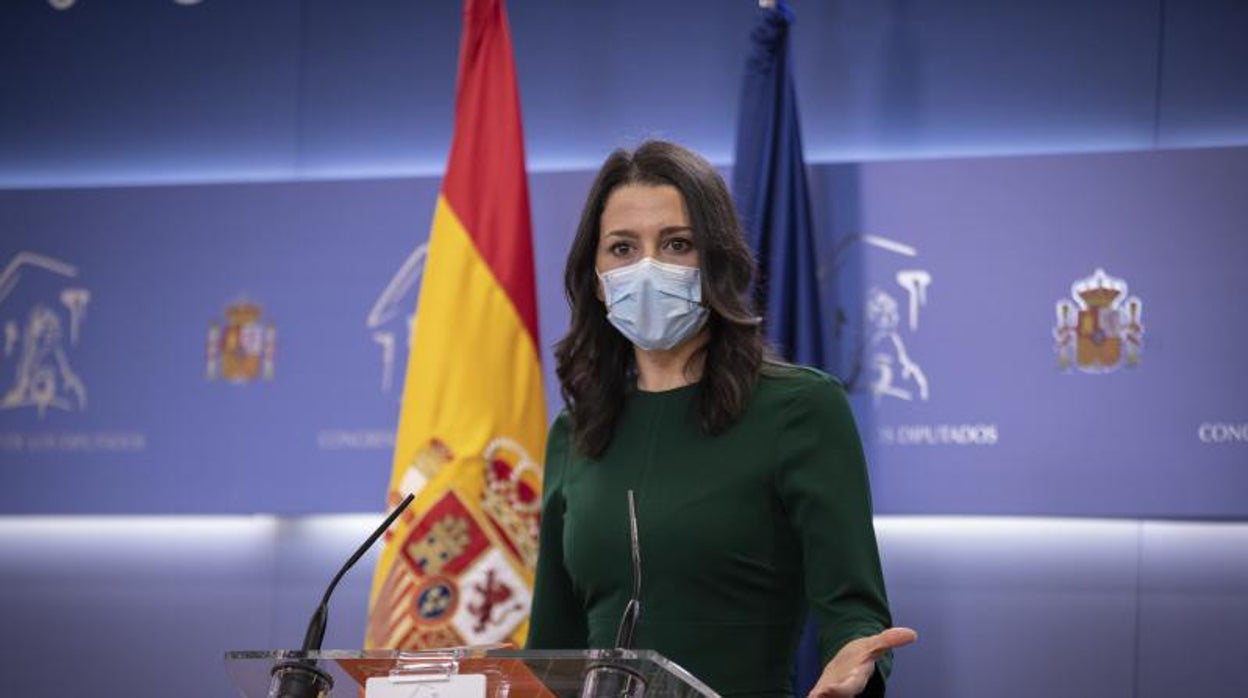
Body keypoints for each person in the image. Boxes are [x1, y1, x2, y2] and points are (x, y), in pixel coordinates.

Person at [526, 140, 916, 697]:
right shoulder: (575, 432)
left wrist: (855, 661)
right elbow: (553, 640)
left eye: (677, 244)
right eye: (622, 248)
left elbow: (853, 609)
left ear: (717, 260)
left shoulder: (801, 409)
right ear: (594, 276)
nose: (647, 267)